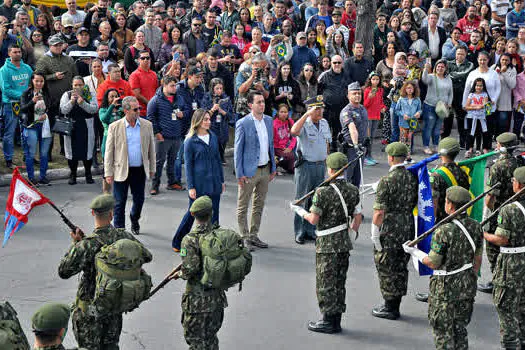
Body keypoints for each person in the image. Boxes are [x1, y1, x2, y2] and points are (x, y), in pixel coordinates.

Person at [58, 194, 152, 349]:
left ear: (93, 213)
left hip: (89, 309)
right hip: (113, 305)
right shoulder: (124, 237)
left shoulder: (87, 245)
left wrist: (76, 245)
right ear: (112, 213)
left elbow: (63, 271)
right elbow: (147, 256)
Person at [290, 152, 361, 333]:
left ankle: (328, 321)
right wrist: (351, 232)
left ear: (330, 169)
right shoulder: (353, 189)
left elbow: (313, 219)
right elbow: (358, 217)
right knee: (339, 281)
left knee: (326, 284)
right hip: (344, 242)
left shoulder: (323, 192)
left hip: (327, 244)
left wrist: (299, 211)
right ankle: (336, 318)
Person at [403, 186, 483, 349]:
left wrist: (414, 252)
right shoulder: (475, 226)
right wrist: (471, 278)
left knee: (443, 333)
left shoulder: (444, 230)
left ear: (450, 205)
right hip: (467, 284)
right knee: (460, 329)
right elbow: (477, 259)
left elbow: (433, 262)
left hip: (444, 288)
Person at [415, 137, 471, 303]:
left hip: (443, 220)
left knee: (438, 258)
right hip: (460, 218)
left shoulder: (438, 175)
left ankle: (435, 291)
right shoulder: (462, 171)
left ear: (441, 153)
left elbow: (433, 202)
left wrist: (430, 223)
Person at [371, 142, 418, 320]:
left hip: (390, 227)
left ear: (390, 158)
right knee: (400, 264)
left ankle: (390, 307)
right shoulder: (412, 177)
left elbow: (379, 212)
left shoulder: (386, 181)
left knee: (386, 265)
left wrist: (375, 233)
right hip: (407, 224)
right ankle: (395, 303)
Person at [175, 196, 228, 348]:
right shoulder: (220, 236)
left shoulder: (189, 240)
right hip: (216, 299)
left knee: (196, 342)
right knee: (211, 339)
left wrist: (179, 274)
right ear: (211, 213)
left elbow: (189, 269)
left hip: (196, 302)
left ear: (193, 215)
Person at [483, 166, 525, 350]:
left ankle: (510, 343)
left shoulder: (510, 209)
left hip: (512, 262)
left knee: (506, 304)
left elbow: (502, 239)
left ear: (520, 185)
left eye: (514, 181)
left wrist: (483, 235)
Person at [171, 109, 225, 252]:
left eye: (209, 119)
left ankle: (212, 244)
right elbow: (188, 166)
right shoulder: (190, 141)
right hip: (199, 184)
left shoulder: (213, 137)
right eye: (205, 119)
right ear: (198, 121)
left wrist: (222, 180)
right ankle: (178, 241)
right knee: (192, 213)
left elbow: (218, 160)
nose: (208, 122)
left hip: (214, 182)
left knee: (214, 213)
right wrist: (191, 187)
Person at [104, 96, 155, 234]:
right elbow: (109, 151)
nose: (139, 111)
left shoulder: (147, 125)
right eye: (135, 109)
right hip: (121, 170)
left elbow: (151, 149)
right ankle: (119, 231)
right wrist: (108, 172)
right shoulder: (114, 127)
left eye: (139, 108)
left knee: (139, 200)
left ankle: (134, 218)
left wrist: (152, 168)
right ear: (126, 110)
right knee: (119, 202)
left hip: (139, 170)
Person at [234, 91, 277, 251]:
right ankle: (244, 237)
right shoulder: (243, 123)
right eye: (258, 102)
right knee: (243, 206)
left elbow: (270, 145)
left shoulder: (268, 120)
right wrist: (239, 173)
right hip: (249, 171)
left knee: (259, 204)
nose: (262, 104)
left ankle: (253, 235)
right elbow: (238, 150)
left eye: (263, 102)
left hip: (265, 169)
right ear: (250, 105)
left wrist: (273, 167)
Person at [477, 133, 519, 294]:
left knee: (494, 248)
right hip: (516, 209)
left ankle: (497, 281)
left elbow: (490, 196)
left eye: (498, 144)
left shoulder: (498, 167)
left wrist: (488, 214)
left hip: (500, 210)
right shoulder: (519, 162)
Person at [290, 95, 331, 244]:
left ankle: (310, 230)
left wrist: (327, 161)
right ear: (310, 110)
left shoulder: (324, 123)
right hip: (306, 165)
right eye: (316, 109)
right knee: (302, 199)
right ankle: (299, 231)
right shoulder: (304, 123)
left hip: (320, 165)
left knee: (316, 200)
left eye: (321, 109)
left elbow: (327, 143)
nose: (320, 112)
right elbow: (293, 132)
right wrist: (306, 115)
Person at [148, 76, 183, 195]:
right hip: (163, 137)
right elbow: (151, 118)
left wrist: (183, 114)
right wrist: (157, 133)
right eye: (172, 86)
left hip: (176, 135)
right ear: (165, 85)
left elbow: (187, 110)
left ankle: (172, 182)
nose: (175, 88)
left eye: (175, 86)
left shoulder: (179, 99)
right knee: (159, 162)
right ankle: (155, 185)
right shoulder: (155, 100)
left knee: (172, 161)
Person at [60, 76, 98, 185]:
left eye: (80, 85)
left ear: (84, 85)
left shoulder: (89, 94)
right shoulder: (67, 95)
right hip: (71, 127)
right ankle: (73, 175)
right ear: (72, 86)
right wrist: (72, 102)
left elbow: (94, 109)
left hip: (86, 126)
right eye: (75, 85)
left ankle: (88, 174)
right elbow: (63, 110)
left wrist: (83, 103)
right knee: (71, 152)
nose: (78, 87)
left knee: (87, 151)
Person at [0, 44, 32, 169]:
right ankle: (9, 159)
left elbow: (32, 82)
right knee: (10, 133)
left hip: (26, 104)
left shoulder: (27, 68)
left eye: (19, 52)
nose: (17, 54)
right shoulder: (4, 70)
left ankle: (27, 156)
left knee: (27, 131)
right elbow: (5, 89)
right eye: (14, 52)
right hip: (11, 104)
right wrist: (23, 96)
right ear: (9, 53)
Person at [20, 71, 52, 185]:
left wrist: (46, 115)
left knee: (44, 153)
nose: (39, 83)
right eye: (36, 81)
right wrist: (32, 102)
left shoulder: (47, 92)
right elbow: (22, 109)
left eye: (41, 81)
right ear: (32, 81)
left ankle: (43, 176)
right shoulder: (26, 94)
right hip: (31, 126)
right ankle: (31, 177)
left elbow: (51, 108)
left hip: (44, 126)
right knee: (31, 153)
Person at [421, 59, 454, 155]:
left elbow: (450, 93)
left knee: (438, 127)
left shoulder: (448, 79)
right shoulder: (431, 77)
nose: (440, 68)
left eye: (442, 67)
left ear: (445, 69)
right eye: (438, 66)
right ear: (435, 67)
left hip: (442, 108)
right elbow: (424, 80)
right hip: (430, 105)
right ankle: (426, 146)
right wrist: (425, 69)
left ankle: (436, 145)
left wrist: (449, 103)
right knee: (429, 126)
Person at [339, 82, 368, 188]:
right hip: (351, 148)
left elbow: (366, 124)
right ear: (348, 95)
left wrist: (367, 139)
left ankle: (354, 200)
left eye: (359, 93)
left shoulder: (362, 109)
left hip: (361, 147)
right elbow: (352, 128)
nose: (357, 96)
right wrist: (356, 145)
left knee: (357, 178)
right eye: (354, 93)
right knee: (348, 178)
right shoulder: (346, 111)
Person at [319, 55, 350, 152]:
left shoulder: (347, 75)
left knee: (339, 131)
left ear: (342, 63)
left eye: (339, 62)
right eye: (334, 62)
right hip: (328, 109)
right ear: (331, 63)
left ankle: (336, 148)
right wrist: (320, 105)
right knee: (326, 130)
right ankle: (326, 150)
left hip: (342, 109)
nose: (337, 64)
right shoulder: (324, 75)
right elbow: (317, 91)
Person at [445, 46, 473, 148]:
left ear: (465, 55)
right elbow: (444, 74)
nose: (459, 56)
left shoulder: (470, 64)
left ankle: (462, 142)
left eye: (461, 54)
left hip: (461, 95)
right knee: (447, 118)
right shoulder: (448, 63)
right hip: (449, 94)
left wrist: (451, 75)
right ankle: (445, 143)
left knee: (461, 120)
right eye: (458, 53)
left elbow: (464, 74)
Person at [202, 77, 234, 163]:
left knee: (222, 143)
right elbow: (202, 114)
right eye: (217, 88)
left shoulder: (226, 99)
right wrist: (212, 109)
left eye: (221, 88)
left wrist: (222, 112)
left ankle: (221, 156)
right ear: (212, 88)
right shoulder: (206, 97)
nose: (219, 91)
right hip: (211, 126)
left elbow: (231, 116)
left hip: (223, 127)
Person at [99, 88, 123, 194]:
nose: (114, 98)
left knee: (120, 167)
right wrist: (112, 106)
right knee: (107, 168)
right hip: (108, 140)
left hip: (120, 141)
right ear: (107, 98)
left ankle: (118, 192)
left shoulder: (121, 110)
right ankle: (106, 193)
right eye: (111, 96)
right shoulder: (103, 109)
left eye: (115, 96)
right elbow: (104, 119)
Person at [464, 77, 492, 156]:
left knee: (481, 133)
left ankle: (481, 149)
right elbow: (466, 106)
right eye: (477, 85)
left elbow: (485, 105)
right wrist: (476, 107)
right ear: (474, 86)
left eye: (480, 86)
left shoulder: (484, 94)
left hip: (481, 117)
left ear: (483, 86)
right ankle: (469, 148)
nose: (478, 87)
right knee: (470, 133)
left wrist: (473, 105)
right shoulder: (471, 94)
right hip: (471, 117)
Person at [394, 80, 421, 160]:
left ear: (414, 89)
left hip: (412, 123)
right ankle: (401, 157)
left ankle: (408, 157)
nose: (409, 90)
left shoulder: (417, 99)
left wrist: (418, 113)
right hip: (403, 123)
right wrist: (403, 114)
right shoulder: (401, 99)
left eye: (411, 88)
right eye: (408, 88)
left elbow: (420, 110)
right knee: (403, 140)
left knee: (409, 140)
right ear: (405, 89)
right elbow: (396, 110)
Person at [363, 72, 386, 166]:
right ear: (370, 80)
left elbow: (380, 102)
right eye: (373, 79)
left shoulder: (380, 90)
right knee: (367, 137)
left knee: (372, 137)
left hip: (376, 116)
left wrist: (383, 107)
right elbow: (365, 105)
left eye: (377, 79)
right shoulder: (367, 90)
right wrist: (369, 97)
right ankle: (365, 157)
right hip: (368, 116)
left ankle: (369, 156)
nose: (375, 81)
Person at [129, 49, 159, 118]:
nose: (146, 60)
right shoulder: (134, 75)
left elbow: (156, 91)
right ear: (138, 60)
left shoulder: (154, 74)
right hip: (141, 112)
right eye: (143, 58)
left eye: (148, 58)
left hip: (154, 111)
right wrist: (150, 104)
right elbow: (137, 94)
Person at [273, 104, 296, 175]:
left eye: (285, 112)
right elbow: (270, 140)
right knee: (288, 156)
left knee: (293, 168)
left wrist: (290, 147)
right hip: (276, 148)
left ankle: (285, 165)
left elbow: (294, 137)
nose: (283, 114)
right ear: (278, 113)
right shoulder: (273, 123)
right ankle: (277, 163)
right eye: (281, 112)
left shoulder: (290, 121)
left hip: (286, 147)